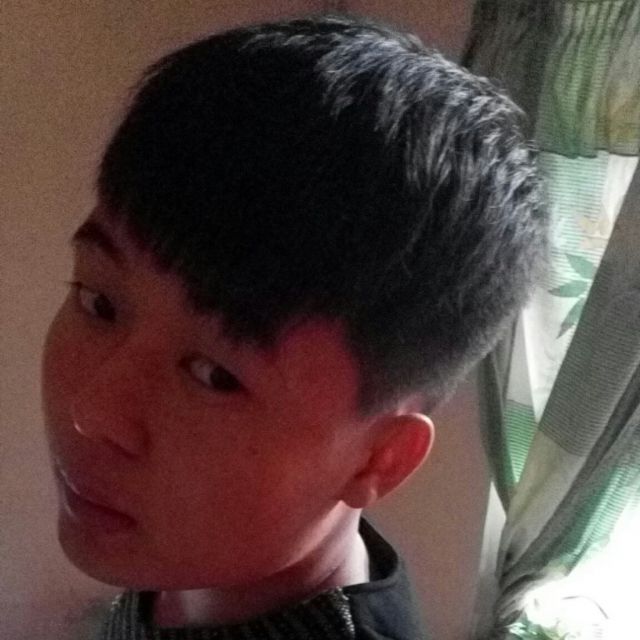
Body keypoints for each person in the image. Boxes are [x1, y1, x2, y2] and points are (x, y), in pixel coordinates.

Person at [41, 13, 547, 640]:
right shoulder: (190, 553)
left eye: (214, 375)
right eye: (99, 303)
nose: (94, 412)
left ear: (378, 460)